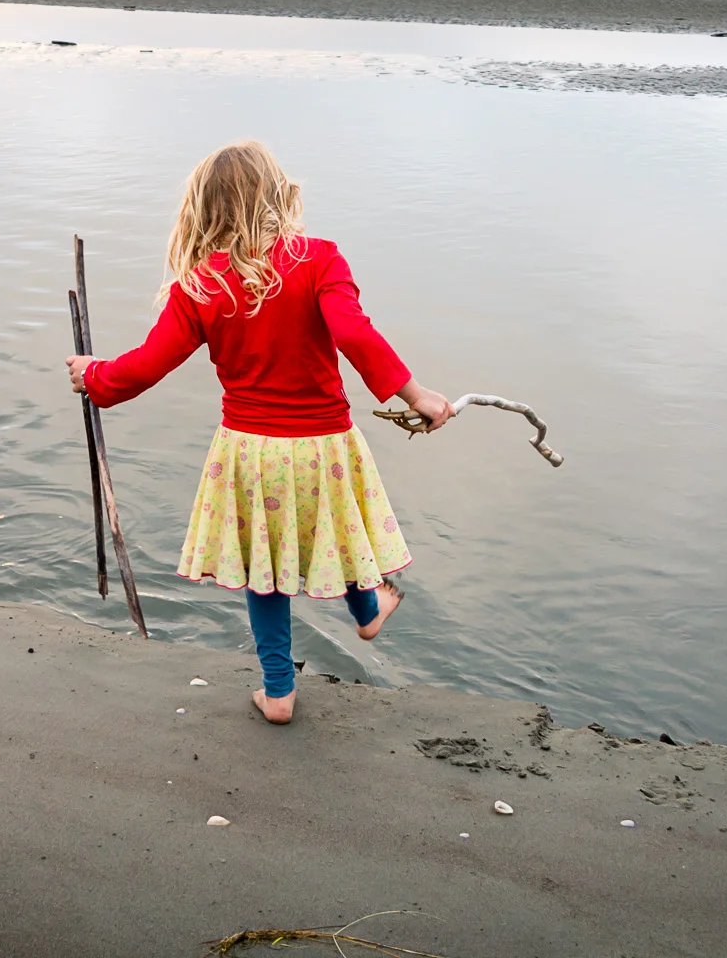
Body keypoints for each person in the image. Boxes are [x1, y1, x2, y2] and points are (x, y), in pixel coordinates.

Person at [67, 139, 452, 725]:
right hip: (324, 445)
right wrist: (416, 395)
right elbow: (354, 334)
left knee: (263, 569)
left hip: (249, 452)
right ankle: (368, 611)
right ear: (279, 196)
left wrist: (92, 376)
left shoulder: (200, 285)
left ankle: (278, 691)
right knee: (339, 531)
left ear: (204, 212)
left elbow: (143, 367)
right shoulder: (321, 259)